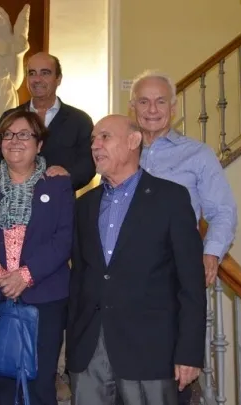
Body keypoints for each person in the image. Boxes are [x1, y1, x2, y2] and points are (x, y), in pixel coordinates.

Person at [66, 114, 206, 405]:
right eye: (93, 140)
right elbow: (79, 278)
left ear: (133, 141)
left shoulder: (171, 199)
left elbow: (191, 283)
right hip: (90, 352)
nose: (95, 145)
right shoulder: (84, 205)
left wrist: (190, 352)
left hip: (150, 353)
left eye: (105, 137)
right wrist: (73, 348)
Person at [129, 70, 238, 404]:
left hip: (173, 277)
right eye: (144, 101)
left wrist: (211, 252)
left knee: (171, 378)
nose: (152, 109)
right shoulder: (119, 149)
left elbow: (222, 211)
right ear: (132, 107)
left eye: (160, 101)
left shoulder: (198, 154)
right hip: (123, 276)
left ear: (173, 108)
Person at [0, 110, 74, 404]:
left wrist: (25, 276)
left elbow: (64, 238)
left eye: (24, 134)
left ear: (39, 144)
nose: (15, 141)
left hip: (45, 295)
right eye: (8, 135)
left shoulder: (58, 184)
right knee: (3, 380)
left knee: (41, 381)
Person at [0, 52, 95, 193]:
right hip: (12, 199)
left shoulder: (79, 120)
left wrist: (68, 178)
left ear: (58, 79)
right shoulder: (10, 117)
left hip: (59, 199)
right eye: (32, 73)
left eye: (45, 73)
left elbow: (88, 164)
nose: (37, 79)